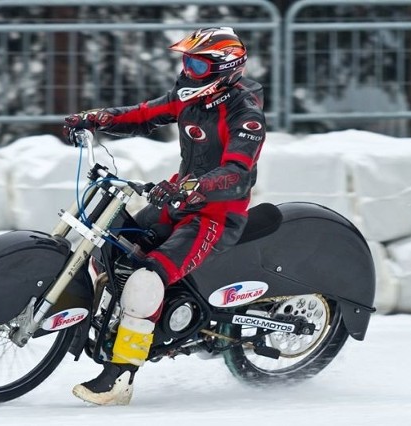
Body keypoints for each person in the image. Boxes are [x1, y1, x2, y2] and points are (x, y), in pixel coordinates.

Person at [63, 27, 266, 406]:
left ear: (224, 69)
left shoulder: (245, 113)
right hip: (177, 200)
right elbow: (143, 115)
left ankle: (120, 376)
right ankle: (114, 326)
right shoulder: (191, 99)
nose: (187, 71)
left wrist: (193, 189)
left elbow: (238, 174)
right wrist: (96, 118)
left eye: (195, 64)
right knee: (108, 250)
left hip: (215, 215)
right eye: (185, 62)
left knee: (146, 277)